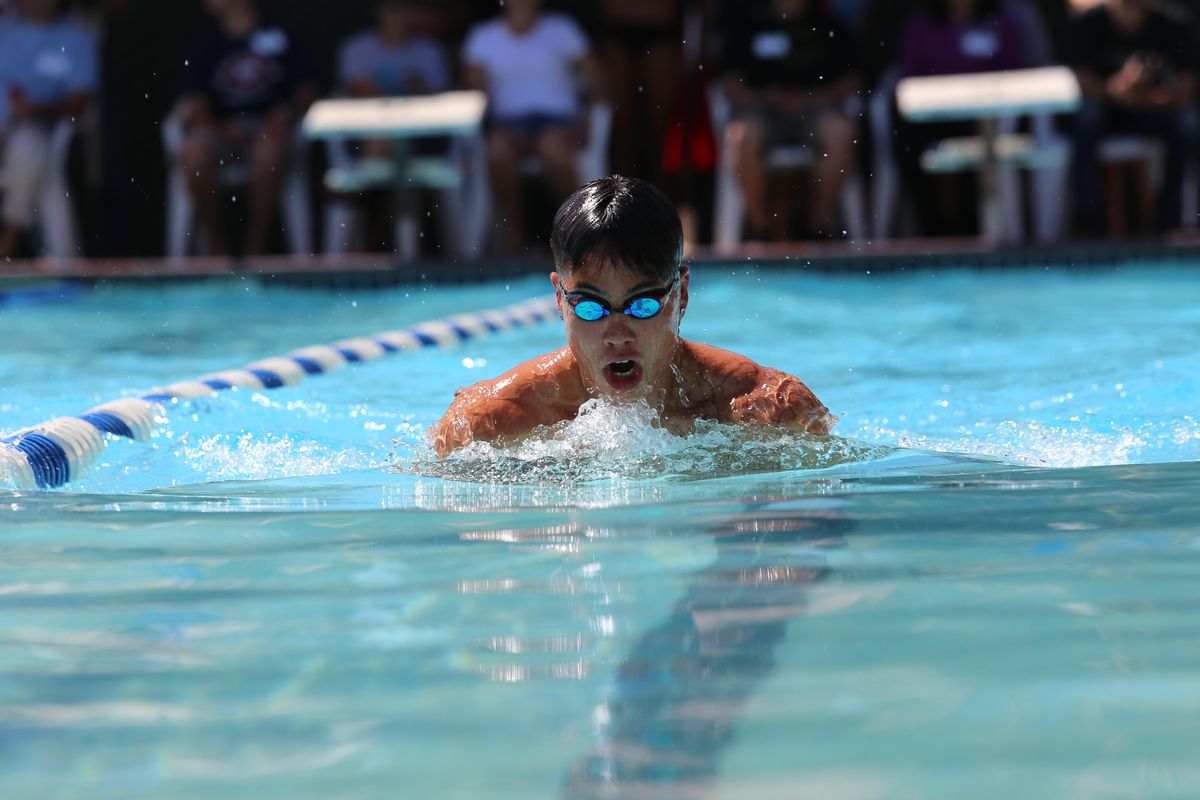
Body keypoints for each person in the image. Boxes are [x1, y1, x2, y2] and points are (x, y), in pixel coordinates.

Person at [430, 176, 833, 457]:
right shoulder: (490, 422)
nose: (616, 333)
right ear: (559, 298)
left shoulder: (768, 407)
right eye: (590, 306)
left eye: (643, 304)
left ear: (682, 295)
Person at [176, 0, 317, 257]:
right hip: (222, 130)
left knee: (269, 152)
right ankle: (217, 245)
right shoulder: (204, 46)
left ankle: (255, 243)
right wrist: (223, 129)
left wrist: (283, 115)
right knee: (192, 154)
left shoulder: (282, 37)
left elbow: (305, 94)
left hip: (269, 130)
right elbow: (194, 109)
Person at [462, 0, 602, 255]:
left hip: (559, 121)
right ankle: (513, 239)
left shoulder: (562, 29)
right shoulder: (483, 36)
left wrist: (591, 118)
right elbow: (474, 92)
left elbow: (595, 76)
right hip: (510, 124)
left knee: (553, 150)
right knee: (497, 151)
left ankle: (579, 234)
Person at [718, 0, 861, 241]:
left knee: (841, 132)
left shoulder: (829, 25)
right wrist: (765, 98)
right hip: (761, 111)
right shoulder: (747, 25)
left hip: (815, 110)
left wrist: (809, 99)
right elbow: (728, 85)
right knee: (742, 135)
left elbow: (854, 80)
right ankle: (760, 229)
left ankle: (816, 228)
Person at [893, 0, 1028, 236]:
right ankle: (930, 225)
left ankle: (970, 227)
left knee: (974, 136)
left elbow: (1014, 71)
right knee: (905, 134)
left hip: (985, 114)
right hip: (932, 114)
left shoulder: (1000, 22)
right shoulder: (922, 23)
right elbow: (909, 74)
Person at [1067, 0, 1196, 235]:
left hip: (1149, 109)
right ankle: (1088, 217)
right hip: (1108, 112)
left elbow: (1185, 91)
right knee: (1086, 118)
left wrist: (1139, 97)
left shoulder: (1171, 24)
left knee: (1185, 123)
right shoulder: (1088, 24)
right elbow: (1083, 84)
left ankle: (1169, 218)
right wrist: (1118, 89)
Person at [0, 0, 96, 259]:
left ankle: (10, 234)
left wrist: (35, 111)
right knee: (31, 156)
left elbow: (81, 101)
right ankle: (13, 233)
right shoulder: (5, 34)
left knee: (30, 148)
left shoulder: (77, 38)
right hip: (7, 132)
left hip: (44, 133)